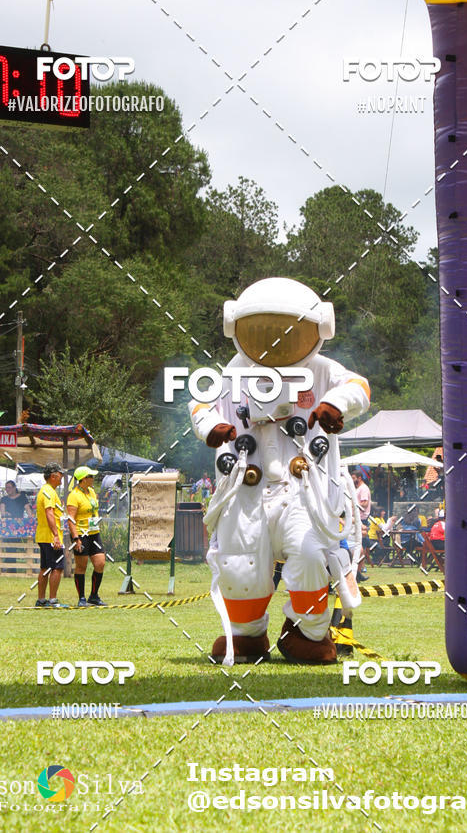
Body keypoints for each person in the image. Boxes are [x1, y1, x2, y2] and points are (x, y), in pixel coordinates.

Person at [189, 277, 370, 665]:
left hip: (303, 490)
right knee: (239, 563)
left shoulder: (320, 370)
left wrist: (336, 403)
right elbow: (200, 405)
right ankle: (247, 634)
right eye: (263, 329)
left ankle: (307, 633)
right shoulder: (235, 370)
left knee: (309, 555)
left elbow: (359, 387)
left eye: (286, 330)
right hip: (247, 487)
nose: (274, 339)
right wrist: (212, 429)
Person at [67, 467, 106, 607]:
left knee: (100, 563)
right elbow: (70, 519)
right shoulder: (74, 495)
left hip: (94, 533)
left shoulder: (91, 492)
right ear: (83, 479)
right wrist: (76, 538)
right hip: (81, 535)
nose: (93, 478)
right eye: (91, 476)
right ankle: (81, 598)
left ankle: (94, 596)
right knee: (81, 566)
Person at [35, 462, 66, 608]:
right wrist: (55, 535)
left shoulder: (47, 490)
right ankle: (52, 599)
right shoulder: (48, 491)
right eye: (60, 474)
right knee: (57, 568)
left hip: (44, 535)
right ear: (53, 476)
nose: (62, 477)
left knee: (45, 568)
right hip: (50, 536)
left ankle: (41, 600)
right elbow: (49, 512)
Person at [351, 470, 371, 581]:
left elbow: (365, 503)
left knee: (359, 548)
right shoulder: (357, 488)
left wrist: (353, 506)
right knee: (358, 548)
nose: (352, 480)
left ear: (360, 477)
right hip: (356, 519)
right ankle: (357, 573)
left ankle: (358, 573)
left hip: (361, 519)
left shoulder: (363, 489)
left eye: (354, 477)